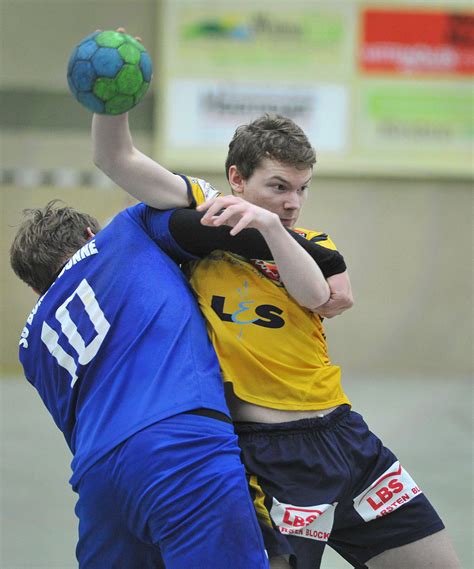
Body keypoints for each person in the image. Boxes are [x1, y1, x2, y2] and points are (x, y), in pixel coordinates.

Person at [92, 112, 461, 569]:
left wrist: (269, 227)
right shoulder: (205, 221)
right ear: (237, 179)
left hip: (348, 440)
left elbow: (316, 295)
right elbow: (116, 159)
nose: (293, 203)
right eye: (279, 187)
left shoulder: (308, 242)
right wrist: (112, 107)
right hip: (271, 456)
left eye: (302, 188)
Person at [10, 196, 345, 568]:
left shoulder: (31, 342)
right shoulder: (123, 232)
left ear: (37, 286)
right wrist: (324, 260)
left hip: (97, 479)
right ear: (91, 235)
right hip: (179, 445)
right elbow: (223, 228)